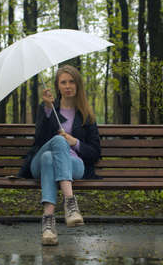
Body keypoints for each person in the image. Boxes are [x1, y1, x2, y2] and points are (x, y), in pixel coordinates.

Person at [18, 64, 101, 246]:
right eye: (63, 82)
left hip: (74, 165)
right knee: (55, 145)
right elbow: (39, 141)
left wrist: (75, 142)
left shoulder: (86, 115)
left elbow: (95, 153)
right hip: (39, 162)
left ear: (78, 85)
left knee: (51, 157)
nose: (68, 86)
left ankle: (48, 224)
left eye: (71, 82)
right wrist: (48, 110)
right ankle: (70, 204)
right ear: (57, 86)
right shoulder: (48, 108)